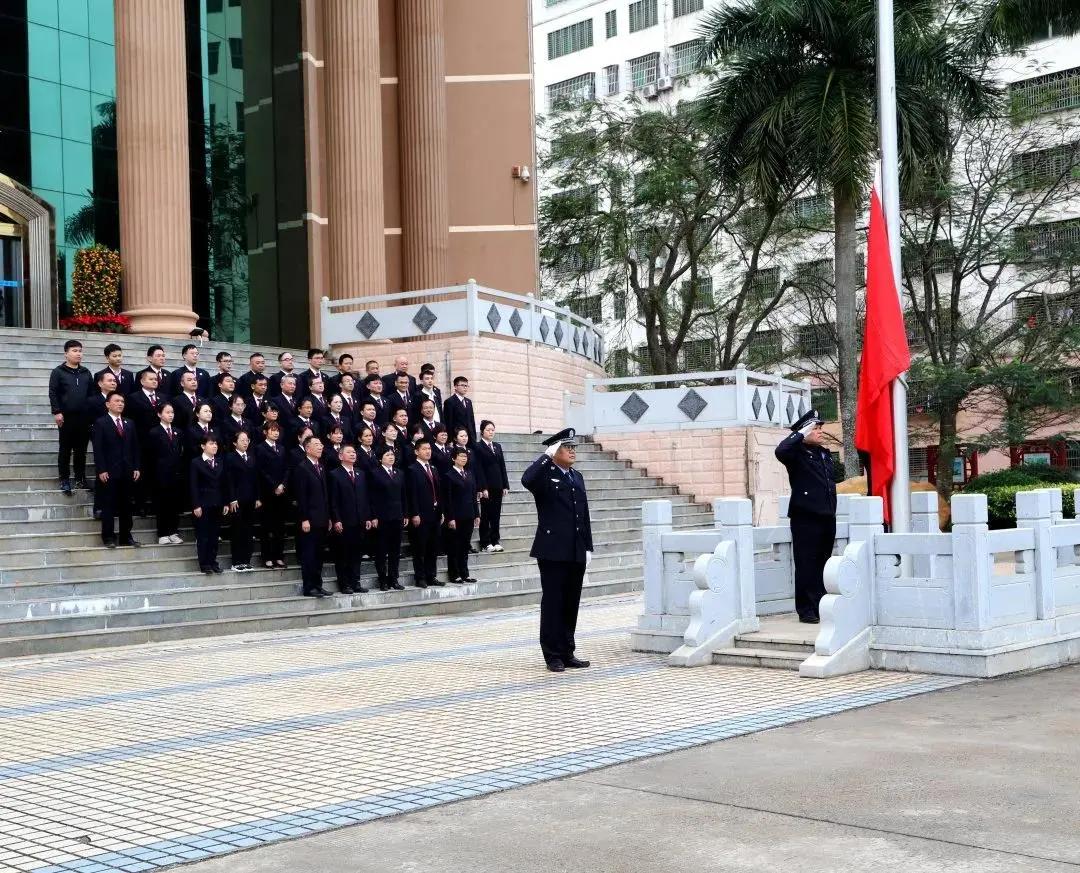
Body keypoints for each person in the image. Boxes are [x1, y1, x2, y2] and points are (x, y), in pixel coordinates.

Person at [522, 428, 593, 673]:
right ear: (555, 451)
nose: (572, 451)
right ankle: (552, 654)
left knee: (571, 602)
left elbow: (583, 515)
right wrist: (545, 456)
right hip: (552, 550)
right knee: (553, 602)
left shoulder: (577, 476)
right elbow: (526, 480)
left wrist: (588, 546)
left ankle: (567, 650)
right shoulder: (544, 475)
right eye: (567, 447)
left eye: (574, 447)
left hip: (575, 549)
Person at [775, 410, 837, 624]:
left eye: (820, 428)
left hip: (827, 516)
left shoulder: (824, 453)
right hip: (806, 517)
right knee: (806, 563)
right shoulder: (796, 453)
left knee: (823, 561)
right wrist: (800, 433)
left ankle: (820, 605)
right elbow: (781, 450)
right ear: (804, 431)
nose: (820, 432)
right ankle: (806, 609)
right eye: (815, 428)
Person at [92, 390, 142, 549]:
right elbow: (98, 449)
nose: (120, 403)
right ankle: (108, 537)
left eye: (122, 401)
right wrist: (101, 469)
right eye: (117, 401)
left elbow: (135, 447)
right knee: (109, 505)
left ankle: (126, 536)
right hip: (109, 471)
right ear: (107, 404)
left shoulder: (130, 423)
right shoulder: (101, 423)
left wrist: (136, 466)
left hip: (127, 471)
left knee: (127, 505)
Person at [328, 444, 373, 594]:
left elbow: (365, 497)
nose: (353, 454)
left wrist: (367, 516)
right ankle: (344, 583)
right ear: (340, 456)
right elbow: (333, 500)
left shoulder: (361, 474)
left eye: (354, 452)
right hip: (344, 521)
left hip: (359, 520)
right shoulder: (335, 474)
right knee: (343, 554)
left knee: (356, 554)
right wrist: (336, 519)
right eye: (349, 452)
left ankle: (356, 582)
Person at [49, 339, 93, 495]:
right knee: (65, 449)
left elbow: (91, 395)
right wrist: (57, 411)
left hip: (84, 417)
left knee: (81, 450)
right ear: (66, 353)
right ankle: (64, 479)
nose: (78, 354)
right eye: (74, 351)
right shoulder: (58, 371)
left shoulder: (86, 372)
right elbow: (53, 393)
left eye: (80, 351)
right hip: (66, 417)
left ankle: (80, 478)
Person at [292, 435, 332, 597]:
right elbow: (301, 496)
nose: (321, 447)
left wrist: (328, 517)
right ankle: (309, 587)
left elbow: (325, 495)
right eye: (316, 444)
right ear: (307, 448)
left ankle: (318, 584)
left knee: (319, 555)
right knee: (309, 555)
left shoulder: (320, 466)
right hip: (309, 519)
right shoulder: (302, 467)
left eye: (321, 444)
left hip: (322, 518)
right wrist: (304, 518)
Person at [145, 402, 185, 545]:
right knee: (162, 504)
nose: (171, 415)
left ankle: (173, 531)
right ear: (159, 414)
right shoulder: (154, 432)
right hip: (160, 474)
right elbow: (150, 455)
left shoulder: (178, 432)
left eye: (172, 412)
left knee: (174, 504)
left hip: (175, 474)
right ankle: (162, 533)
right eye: (167, 412)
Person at [406, 439, 443, 589]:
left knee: (432, 547)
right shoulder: (412, 469)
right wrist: (414, 513)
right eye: (424, 449)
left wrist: (441, 512)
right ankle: (420, 577)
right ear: (416, 451)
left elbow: (438, 492)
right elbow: (411, 494)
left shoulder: (433, 468)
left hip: (434, 514)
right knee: (419, 548)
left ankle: (431, 575)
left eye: (429, 448)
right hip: (420, 514)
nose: (428, 451)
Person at [369, 445, 407, 591]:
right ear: (380, 458)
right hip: (382, 517)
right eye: (387, 455)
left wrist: (405, 513)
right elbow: (372, 497)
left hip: (397, 516)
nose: (391, 457)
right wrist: (373, 516)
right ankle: (382, 579)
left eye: (392, 455)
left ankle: (393, 578)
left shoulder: (399, 473)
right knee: (381, 550)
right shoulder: (375, 473)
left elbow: (404, 495)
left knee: (395, 550)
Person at [190, 434, 229, 574]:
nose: (215, 446)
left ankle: (213, 561)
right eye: (211, 443)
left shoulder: (220, 461)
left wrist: (225, 502)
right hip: (203, 504)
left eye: (216, 444)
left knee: (214, 535)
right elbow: (193, 485)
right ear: (203, 446)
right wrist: (196, 505)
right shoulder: (196, 462)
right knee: (203, 535)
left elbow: (224, 484)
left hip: (217, 503)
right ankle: (204, 563)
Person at [254, 421, 289, 569]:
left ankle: (279, 556)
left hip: (281, 492)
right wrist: (274, 485)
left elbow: (287, 468)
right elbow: (260, 471)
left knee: (280, 527)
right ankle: (267, 557)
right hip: (267, 492)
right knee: (267, 526)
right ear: (265, 432)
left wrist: (282, 484)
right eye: (272, 430)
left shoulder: (282, 448)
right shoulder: (260, 448)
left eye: (277, 430)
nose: (276, 433)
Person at [444, 446, 480, 585]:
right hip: (456, 516)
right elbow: (448, 499)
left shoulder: (469, 474)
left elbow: (473, 495)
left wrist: (476, 514)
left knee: (465, 546)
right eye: (460, 456)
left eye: (465, 456)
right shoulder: (449, 476)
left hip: (469, 514)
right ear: (454, 458)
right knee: (454, 546)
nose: (464, 458)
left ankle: (465, 573)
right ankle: (454, 574)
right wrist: (450, 517)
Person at [225, 431, 260, 572]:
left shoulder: (251, 457)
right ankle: (237, 561)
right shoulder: (230, 457)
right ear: (235, 443)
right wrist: (232, 498)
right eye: (242, 440)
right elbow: (229, 480)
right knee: (238, 530)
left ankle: (246, 560)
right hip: (237, 500)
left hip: (250, 500)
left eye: (247, 440)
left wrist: (257, 497)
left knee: (248, 530)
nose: (245, 442)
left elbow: (256, 479)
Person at [476, 420, 510, 552]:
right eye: (488, 430)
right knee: (486, 515)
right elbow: (479, 468)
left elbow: (502, 466)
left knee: (496, 515)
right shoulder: (478, 447)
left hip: (498, 485)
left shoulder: (497, 446)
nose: (491, 432)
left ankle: (495, 540)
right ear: (482, 431)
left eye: (492, 430)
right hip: (487, 487)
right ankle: (485, 542)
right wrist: (483, 487)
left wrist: (505, 485)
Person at [443, 376, 477, 445]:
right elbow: (448, 422)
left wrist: (474, 437)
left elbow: (472, 420)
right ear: (455, 386)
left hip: (469, 437)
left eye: (466, 386)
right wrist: (450, 440)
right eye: (462, 385)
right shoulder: (450, 401)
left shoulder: (468, 402)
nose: (465, 387)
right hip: (457, 437)